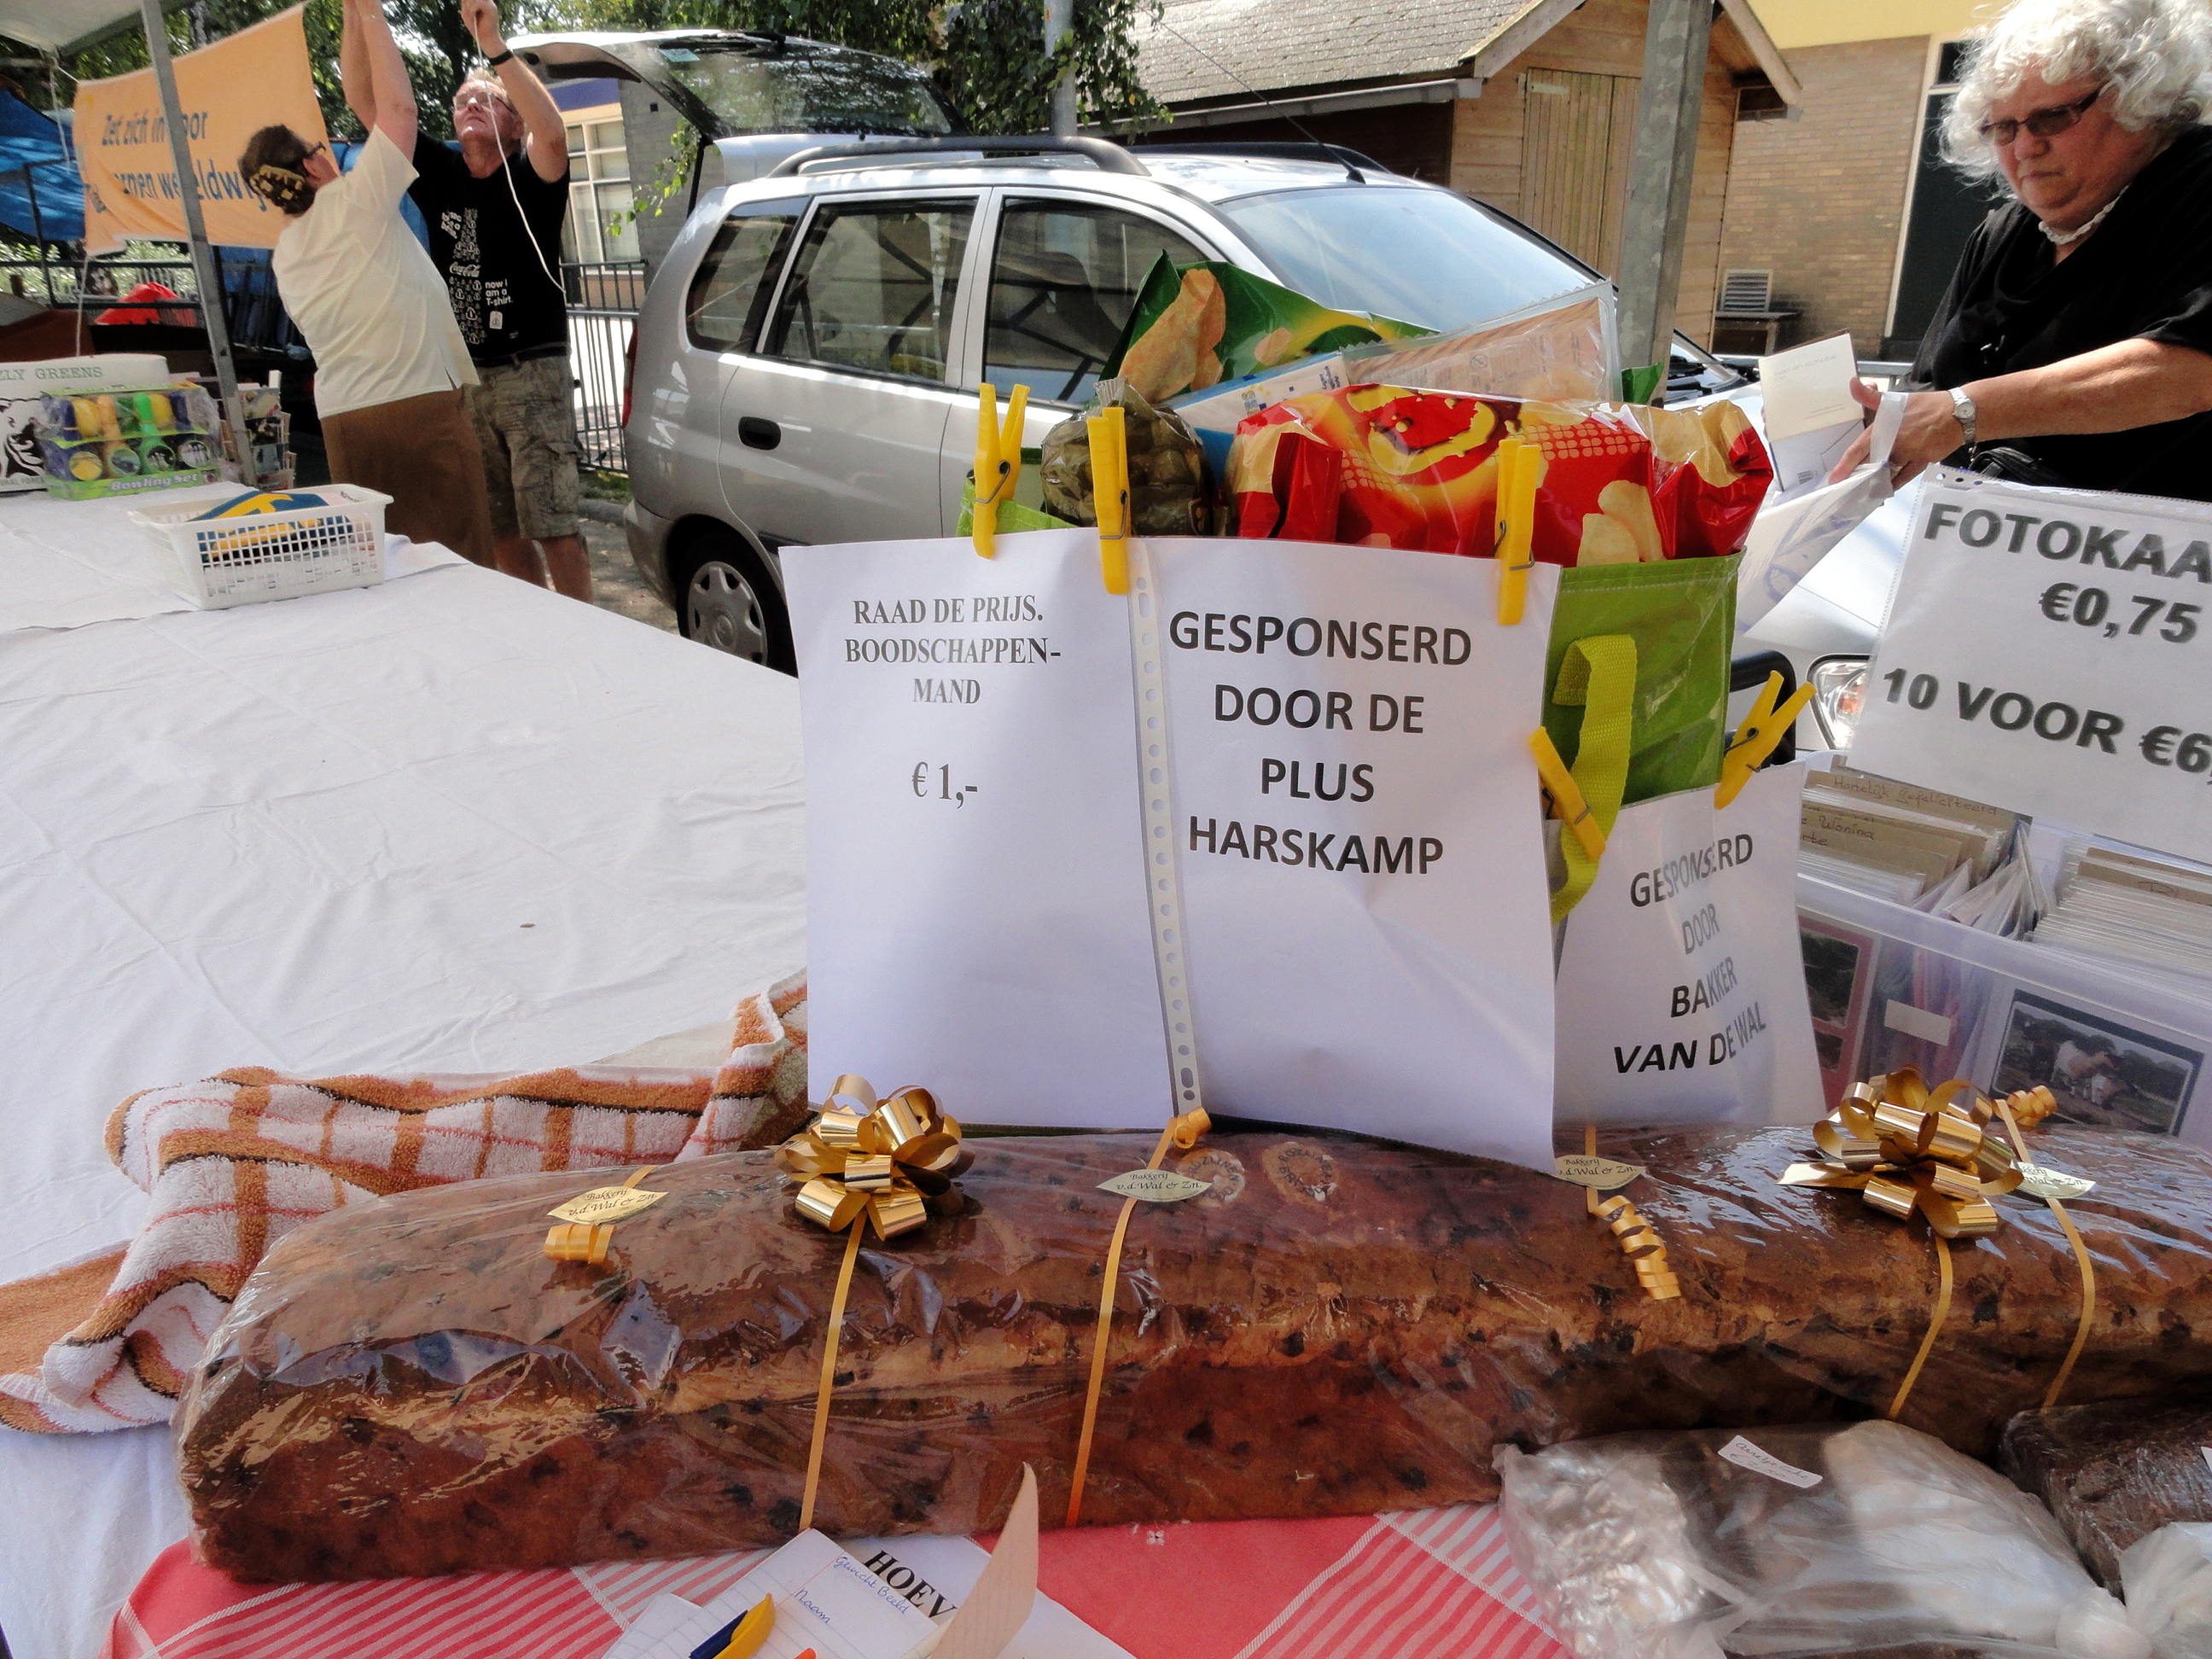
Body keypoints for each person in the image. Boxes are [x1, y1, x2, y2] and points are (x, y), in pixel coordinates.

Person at [1832, 0, 2212, 496]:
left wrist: (1965, 412)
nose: (2025, 148)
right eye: (2003, 128)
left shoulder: (2197, 186)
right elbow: (1930, 389)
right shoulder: (2003, 234)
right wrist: (1876, 420)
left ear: (2140, 100)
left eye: (2052, 118)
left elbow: (2193, 369)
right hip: (1981, 528)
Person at [348, 0, 591, 602]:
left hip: (531, 370)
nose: (473, 106)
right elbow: (367, 103)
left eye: (490, 100)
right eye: (463, 101)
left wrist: (494, 45)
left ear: (513, 125)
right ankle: (536, 622)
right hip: (468, 376)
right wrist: (356, 14)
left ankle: (589, 629)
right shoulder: (442, 175)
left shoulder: (532, 175)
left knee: (552, 524)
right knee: (500, 525)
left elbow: (552, 132)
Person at [241, 0, 494, 566]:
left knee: (386, 565)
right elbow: (397, 109)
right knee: (461, 564)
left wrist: (355, 14)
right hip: (416, 405)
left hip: (345, 419)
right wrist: (375, 14)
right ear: (312, 166)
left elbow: (364, 98)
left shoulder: (287, 252)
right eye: (320, 148)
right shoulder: (358, 200)